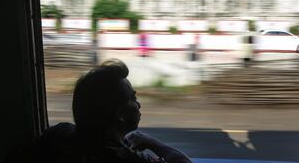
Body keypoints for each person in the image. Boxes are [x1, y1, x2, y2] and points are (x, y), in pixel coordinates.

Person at [26, 59, 192, 163]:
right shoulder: (129, 159)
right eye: (133, 99)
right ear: (120, 115)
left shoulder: (59, 134)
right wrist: (150, 141)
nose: (139, 105)